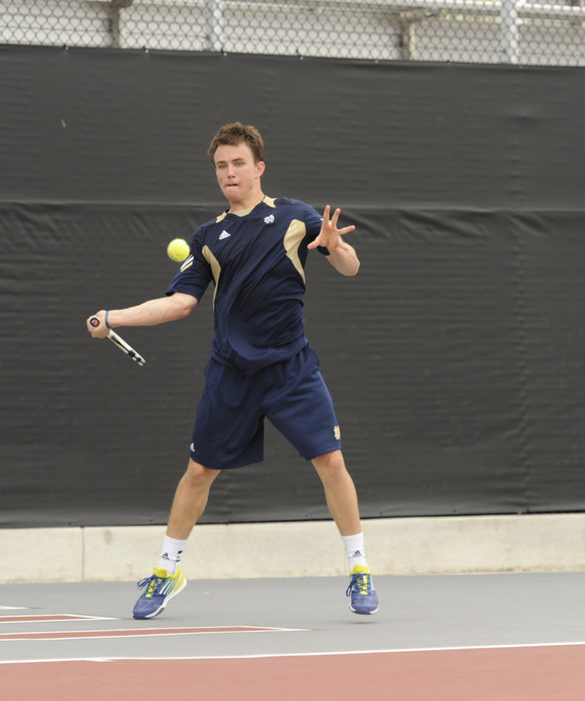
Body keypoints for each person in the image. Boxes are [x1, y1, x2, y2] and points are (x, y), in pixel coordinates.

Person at [87, 122, 378, 619]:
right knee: (199, 471)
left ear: (258, 167)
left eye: (238, 163)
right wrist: (115, 317)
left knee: (331, 462)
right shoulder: (207, 238)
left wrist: (333, 244)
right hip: (231, 373)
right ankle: (166, 571)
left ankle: (359, 568)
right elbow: (178, 304)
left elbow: (350, 267)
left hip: (291, 368)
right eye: (221, 166)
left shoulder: (295, 217)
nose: (229, 173)